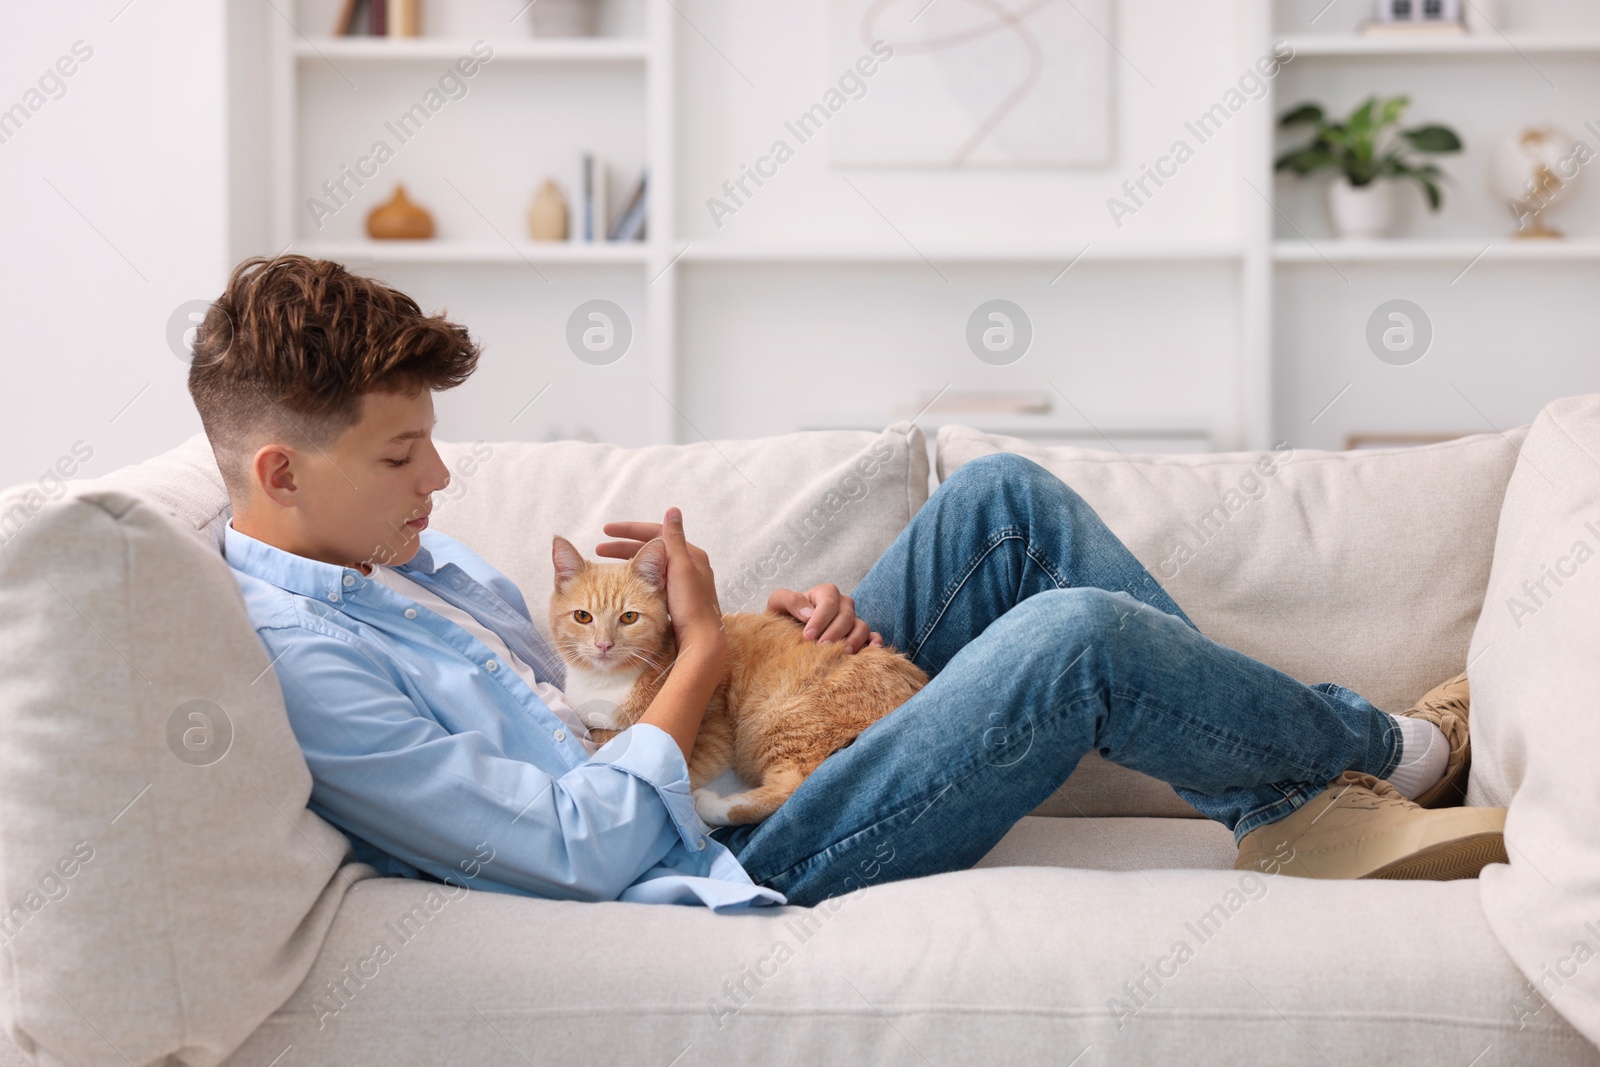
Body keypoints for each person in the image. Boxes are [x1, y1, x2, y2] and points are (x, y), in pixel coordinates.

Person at [191, 254, 1504, 914]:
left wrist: (778, 641)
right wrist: (703, 652)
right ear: (280, 472)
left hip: (727, 760)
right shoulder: (304, 663)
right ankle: (1361, 763)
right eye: (404, 451)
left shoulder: (406, 563)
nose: (443, 479)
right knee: (1073, 642)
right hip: (740, 849)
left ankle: (1303, 788)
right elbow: (577, 849)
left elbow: (616, 699)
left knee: (1002, 511)